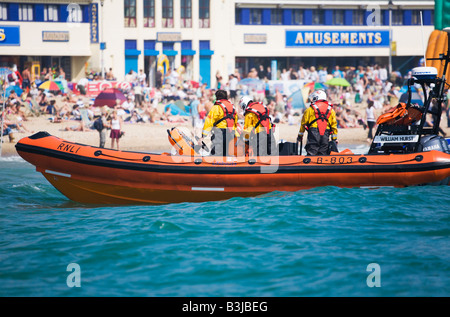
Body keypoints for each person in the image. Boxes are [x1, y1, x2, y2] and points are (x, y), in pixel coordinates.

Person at [297, 90, 338, 156]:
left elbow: (303, 124)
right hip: (325, 134)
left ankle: (311, 165)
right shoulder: (331, 110)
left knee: (312, 152)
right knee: (323, 153)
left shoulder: (309, 110)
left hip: (313, 133)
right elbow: (334, 126)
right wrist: (334, 139)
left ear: (315, 98)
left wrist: (300, 136)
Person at [199, 89, 239, 156]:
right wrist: (236, 134)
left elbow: (209, 121)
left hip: (219, 132)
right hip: (231, 131)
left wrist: (203, 135)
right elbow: (235, 121)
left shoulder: (216, 107)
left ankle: (216, 164)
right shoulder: (232, 107)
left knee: (217, 151)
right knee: (228, 152)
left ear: (217, 97)